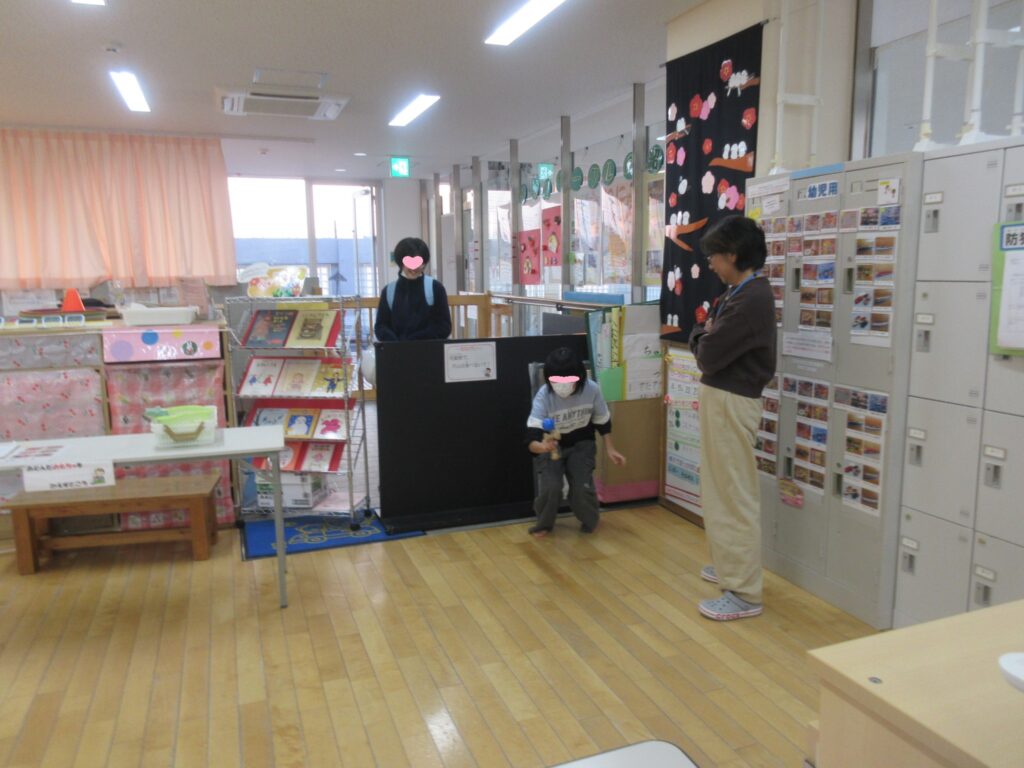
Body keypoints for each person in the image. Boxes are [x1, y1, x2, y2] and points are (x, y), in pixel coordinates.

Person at [689, 215, 777, 621]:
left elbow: (707, 352)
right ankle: (730, 567)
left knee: (733, 494)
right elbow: (706, 336)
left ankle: (743, 591)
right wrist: (703, 333)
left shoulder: (750, 299)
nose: (710, 264)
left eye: (715, 256)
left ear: (734, 255)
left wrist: (701, 334)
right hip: (724, 397)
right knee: (720, 489)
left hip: (732, 399)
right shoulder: (738, 293)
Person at [526, 346, 626, 537]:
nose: (562, 385)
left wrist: (610, 448)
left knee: (582, 487)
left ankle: (590, 520)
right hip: (551, 446)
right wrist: (542, 447)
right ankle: (544, 523)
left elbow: (602, 421)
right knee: (552, 487)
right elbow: (531, 437)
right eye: (557, 380)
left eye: (568, 380)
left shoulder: (592, 390)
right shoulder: (544, 396)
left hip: (582, 444)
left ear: (579, 376)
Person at [374, 237, 451, 342]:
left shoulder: (436, 288)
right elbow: (381, 326)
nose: (414, 268)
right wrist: (395, 343)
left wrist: (414, 340)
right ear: (401, 263)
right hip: (396, 350)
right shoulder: (388, 291)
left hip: (430, 350)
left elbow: (444, 326)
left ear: (424, 263)